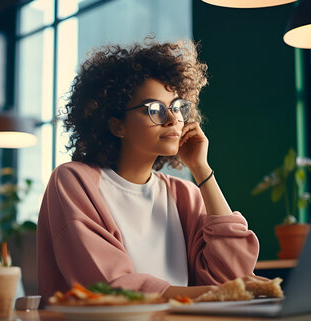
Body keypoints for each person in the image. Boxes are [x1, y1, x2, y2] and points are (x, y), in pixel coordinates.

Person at [37, 39, 259, 303]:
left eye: (178, 107)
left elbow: (231, 275)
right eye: (155, 109)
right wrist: (220, 294)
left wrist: (201, 170)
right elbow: (109, 287)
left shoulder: (185, 195)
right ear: (117, 126)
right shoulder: (74, 181)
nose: (173, 119)